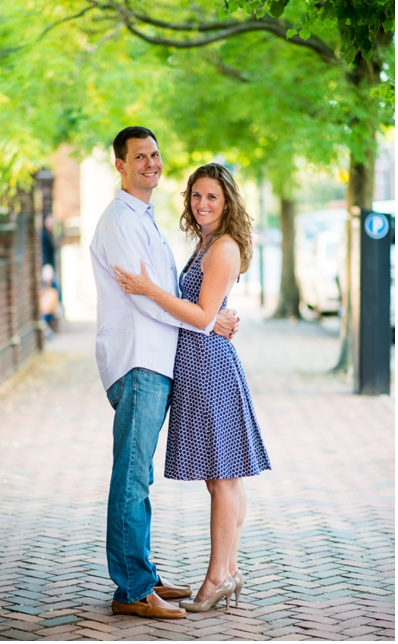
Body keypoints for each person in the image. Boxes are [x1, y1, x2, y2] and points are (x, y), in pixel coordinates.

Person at [89, 126, 240, 619]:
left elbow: (169, 291)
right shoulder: (120, 221)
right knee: (132, 477)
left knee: (141, 476)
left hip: (158, 360)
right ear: (120, 164)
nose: (151, 163)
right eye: (139, 157)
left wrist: (208, 314)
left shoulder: (146, 219)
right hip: (139, 360)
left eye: (155, 154)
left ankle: (144, 575)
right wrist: (206, 318)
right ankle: (132, 590)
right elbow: (146, 294)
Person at [114, 163, 271, 613]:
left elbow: (201, 317)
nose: (202, 204)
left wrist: (148, 289)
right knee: (224, 479)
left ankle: (217, 578)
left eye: (212, 198)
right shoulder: (207, 242)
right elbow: (208, 311)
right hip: (202, 365)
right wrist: (212, 313)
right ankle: (230, 570)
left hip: (209, 370)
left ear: (228, 204)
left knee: (222, 479)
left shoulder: (221, 247)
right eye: (197, 196)